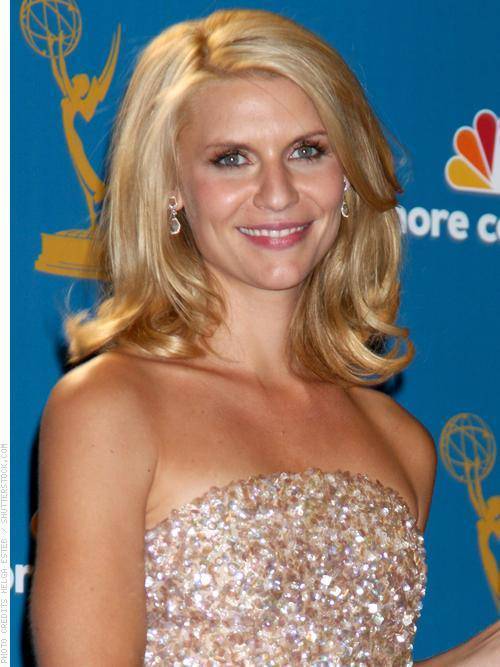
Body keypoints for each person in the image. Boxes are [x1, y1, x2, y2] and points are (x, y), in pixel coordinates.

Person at [29, 8, 499, 666]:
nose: (277, 193)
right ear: (171, 189)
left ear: (347, 175)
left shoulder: (400, 443)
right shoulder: (108, 409)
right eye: (232, 159)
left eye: (307, 151)